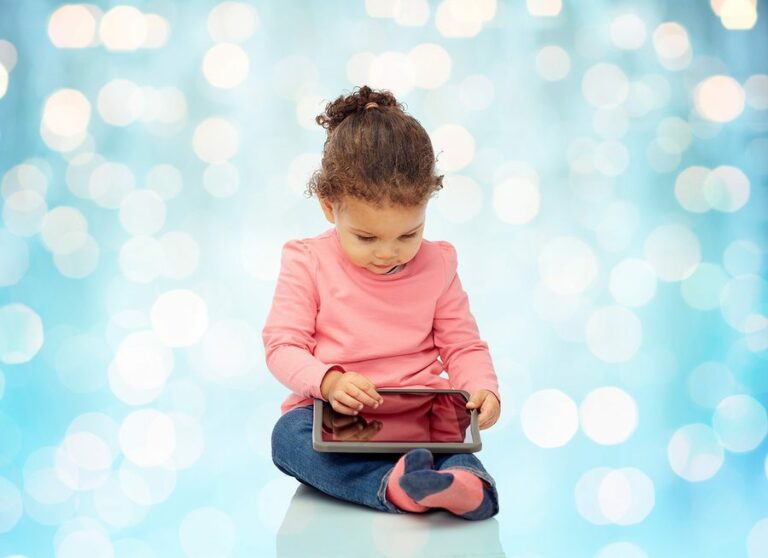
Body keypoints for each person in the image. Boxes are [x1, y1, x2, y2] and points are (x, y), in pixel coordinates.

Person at [263, 85, 502, 520]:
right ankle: (394, 486)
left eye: (408, 234)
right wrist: (329, 382)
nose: (388, 253)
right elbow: (283, 347)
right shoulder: (307, 260)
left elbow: (463, 345)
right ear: (329, 206)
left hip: (420, 416)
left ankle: (465, 486)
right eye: (367, 237)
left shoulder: (440, 262)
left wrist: (482, 388)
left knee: (452, 447)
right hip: (334, 415)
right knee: (288, 437)